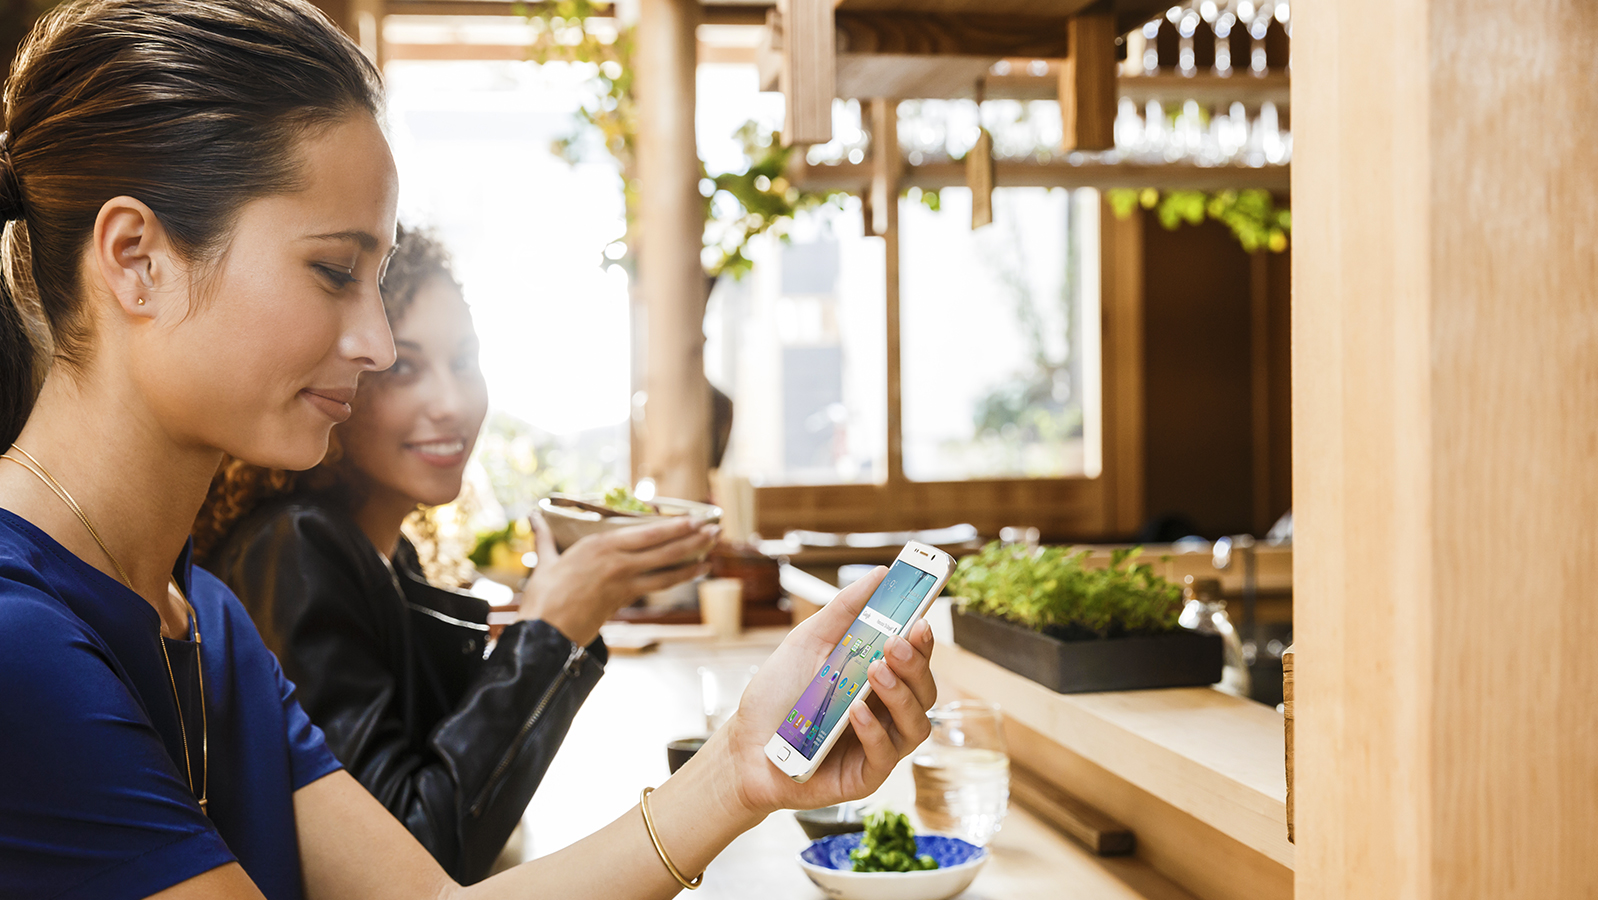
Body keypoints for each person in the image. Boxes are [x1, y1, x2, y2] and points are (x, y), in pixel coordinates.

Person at [0, 2, 937, 899]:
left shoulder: (201, 617)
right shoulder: (23, 643)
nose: (372, 343)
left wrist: (739, 769)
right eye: (333, 270)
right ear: (136, 260)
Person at [193, 225, 719, 883]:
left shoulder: (388, 553)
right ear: (340, 369)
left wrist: (568, 614)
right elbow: (410, 859)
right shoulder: (295, 548)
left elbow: (447, 781)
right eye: (405, 367)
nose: (452, 403)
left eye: (465, 361)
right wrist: (549, 633)